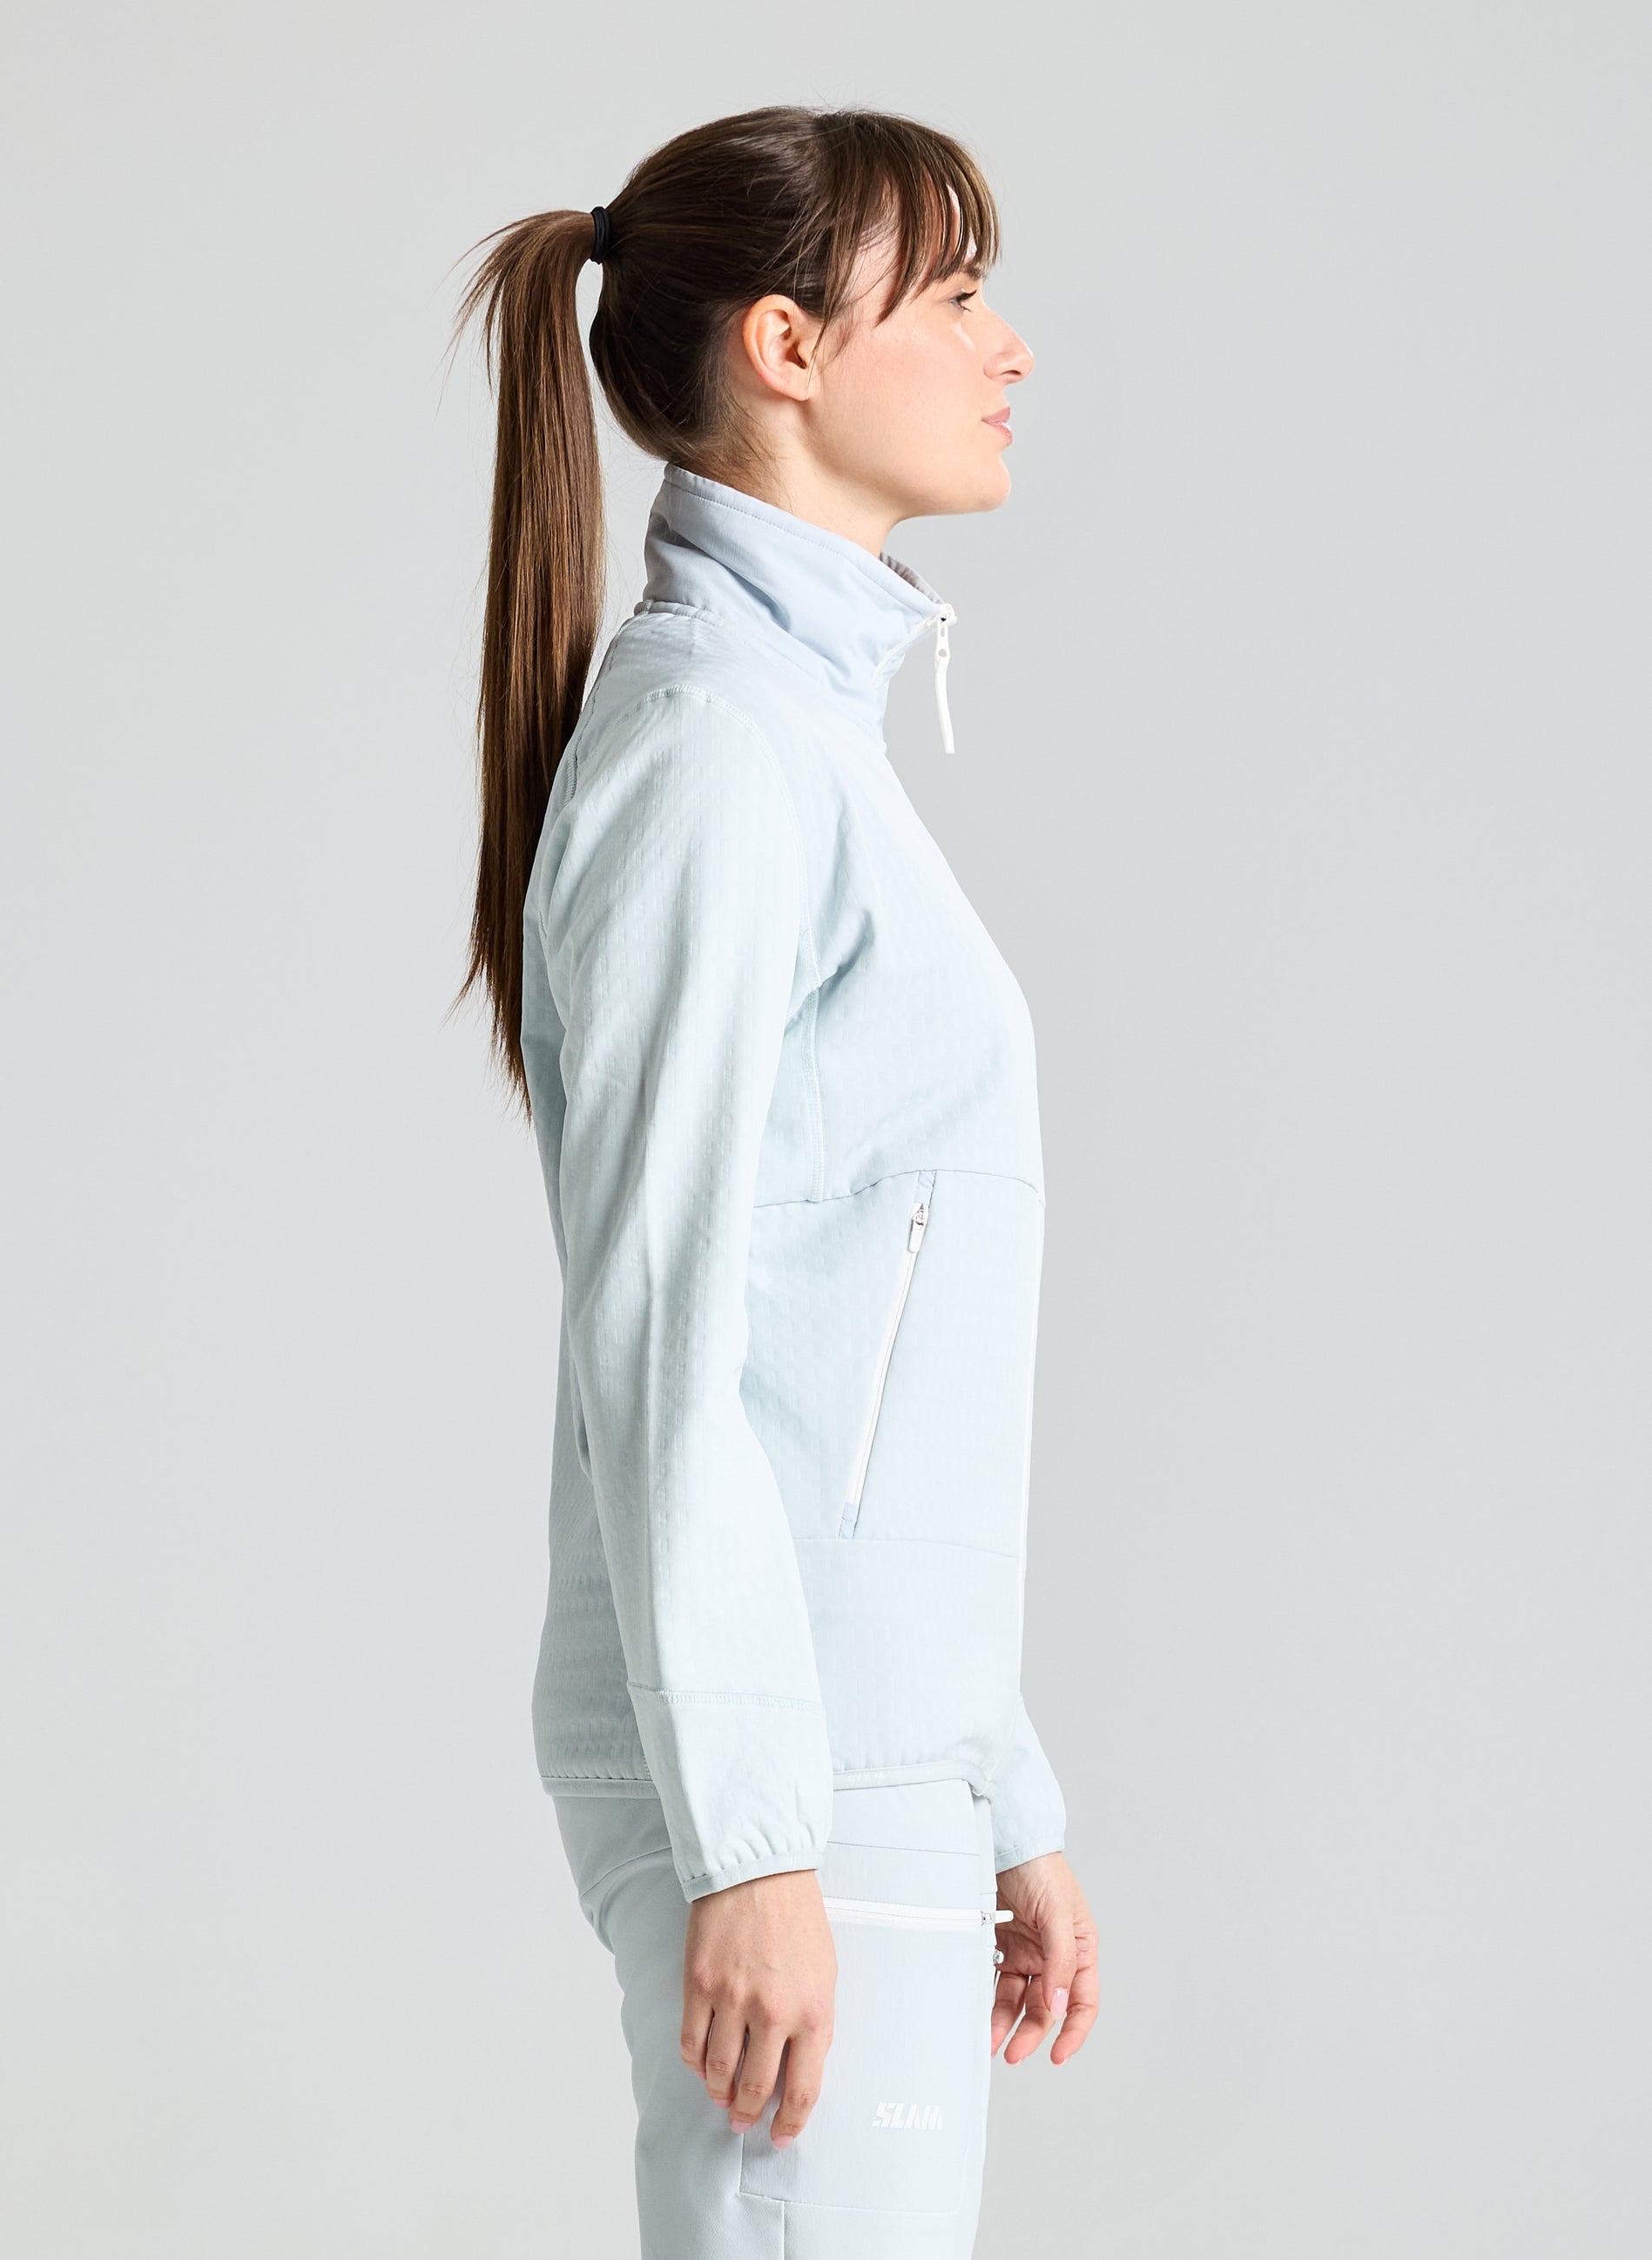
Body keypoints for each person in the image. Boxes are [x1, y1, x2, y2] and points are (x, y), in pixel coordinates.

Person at [451, 104, 1100, 2257]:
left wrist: (993, 1775)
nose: (1009, 346)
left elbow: (849, 1340)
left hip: (860, 1762)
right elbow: (661, 1336)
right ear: (789, 346)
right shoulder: (714, 750)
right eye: (958, 294)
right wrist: (749, 1839)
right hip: (782, 1774)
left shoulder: (796, 736)